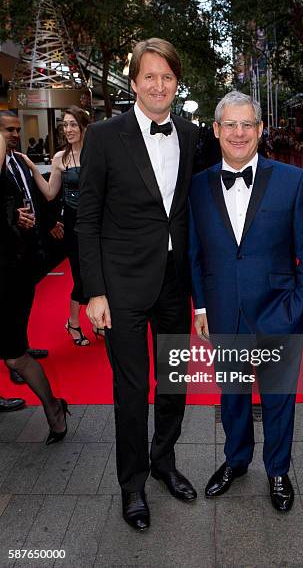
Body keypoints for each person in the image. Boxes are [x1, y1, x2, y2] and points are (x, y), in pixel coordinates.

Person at [77, 38, 199, 531]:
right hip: (122, 286)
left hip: (174, 282)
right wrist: (93, 291)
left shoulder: (189, 135)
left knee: (174, 383)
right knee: (131, 391)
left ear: (176, 83)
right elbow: (87, 218)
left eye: (167, 77)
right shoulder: (105, 135)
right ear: (133, 82)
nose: (159, 85)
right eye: (149, 76)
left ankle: (164, 462)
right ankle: (132, 484)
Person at [189, 91, 303, 512]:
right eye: (230, 124)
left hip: (277, 311)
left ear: (261, 130)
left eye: (247, 124)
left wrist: (299, 305)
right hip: (224, 311)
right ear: (216, 130)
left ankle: (278, 470)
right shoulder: (197, 186)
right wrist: (202, 307)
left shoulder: (292, 180)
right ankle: (236, 461)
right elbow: (195, 252)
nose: (239, 132)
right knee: (232, 395)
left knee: (279, 396)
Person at [0, 119, 69, 444]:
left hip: (11, 271)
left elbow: (36, 198)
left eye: (14, 130)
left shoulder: (14, 164)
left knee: (15, 355)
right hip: (15, 263)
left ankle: (53, 407)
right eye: (7, 130)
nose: (13, 135)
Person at [20, 107, 94, 346]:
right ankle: (73, 323)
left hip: (97, 223)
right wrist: (32, 169)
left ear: (84, 127)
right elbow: (51, 193)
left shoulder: (96, 154)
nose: (69, 129)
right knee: (82, 277)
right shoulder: (60, 158)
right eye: (65, 125)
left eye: (73, 124)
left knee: (100, 274)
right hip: (74, 225)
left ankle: (97, 322)